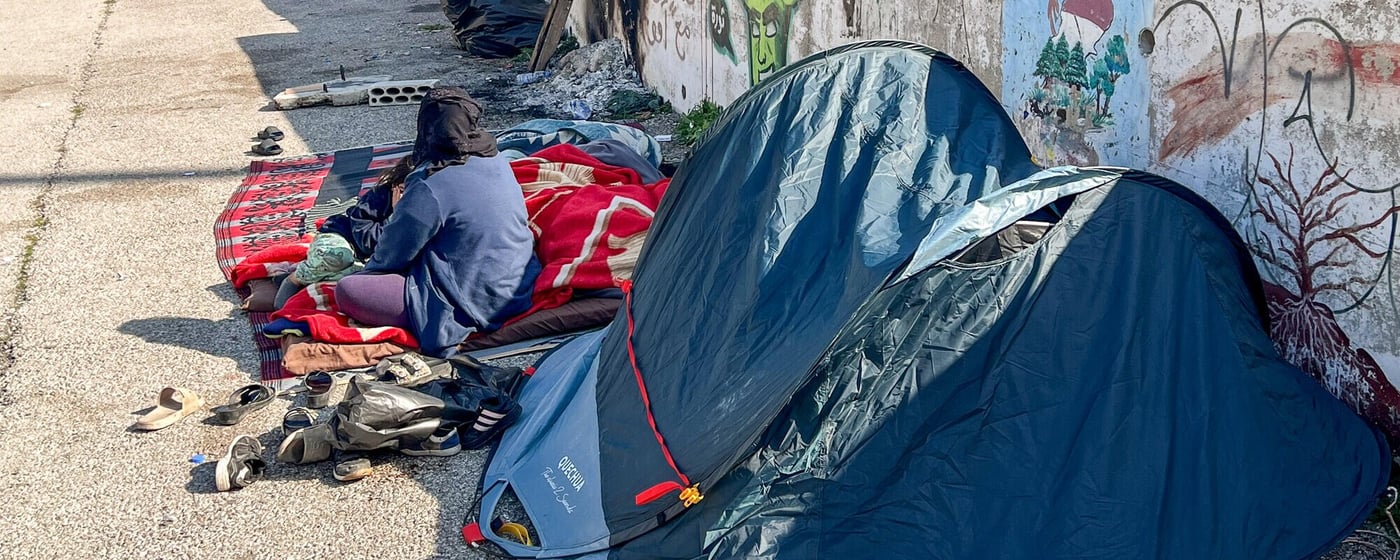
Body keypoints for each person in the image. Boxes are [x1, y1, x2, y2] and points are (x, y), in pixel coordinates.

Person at [335, 87, 540, 357]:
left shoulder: (430, 182)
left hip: (472, 298)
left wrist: (367, 270)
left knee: (348, 289)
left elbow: (391, 256)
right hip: (518, 285)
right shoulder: (496, 158)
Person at [273, 158, 414, 309]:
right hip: (343, 238)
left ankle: (312, 276)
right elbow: (367, 242)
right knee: (338, 256)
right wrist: (396, 215)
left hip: (363, 260)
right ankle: (294, 279)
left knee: (357, 281)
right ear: (395, 187)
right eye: (404, 191)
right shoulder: (377, 198)